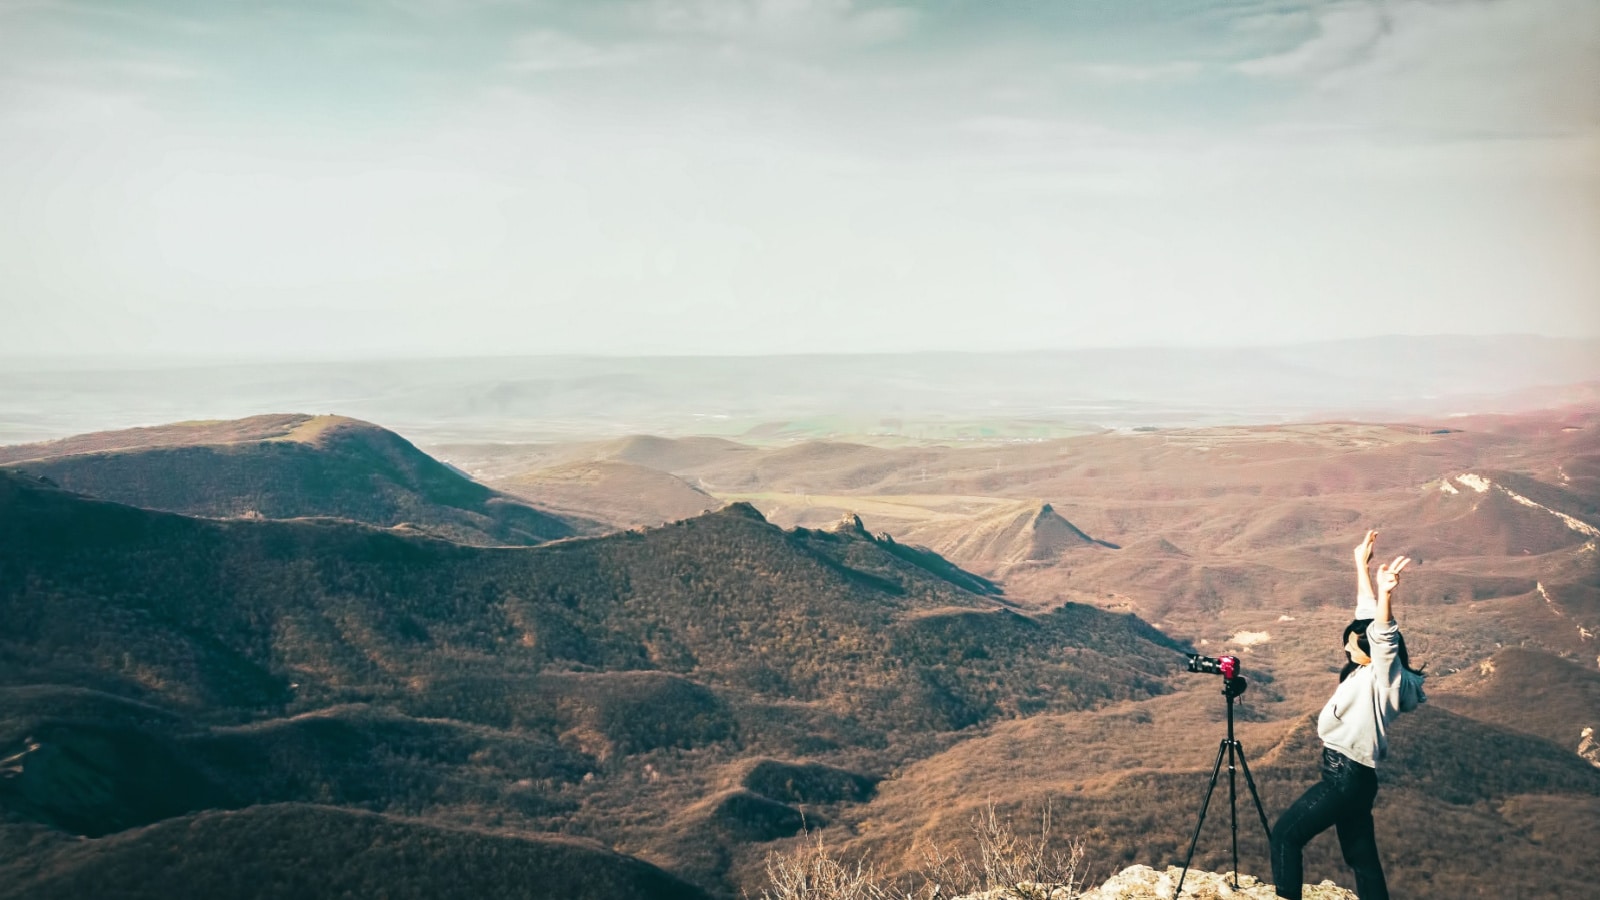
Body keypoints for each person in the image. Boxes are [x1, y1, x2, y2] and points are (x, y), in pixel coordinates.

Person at [1270, 530, 1426, 900]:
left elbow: (1383, 634)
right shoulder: (1375, 671)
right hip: (1359, 777)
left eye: (1353, 642)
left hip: (1344, 776)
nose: (1346, 644)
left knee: (1285, 836)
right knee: (1362, 858)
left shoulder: (1382, 675)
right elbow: (1367, 616)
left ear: (1372, 650)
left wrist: (1388, 593)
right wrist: (1361, 566)